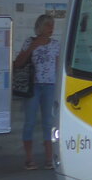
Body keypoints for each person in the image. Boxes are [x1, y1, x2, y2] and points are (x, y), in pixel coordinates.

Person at [14, 14, 60, 169]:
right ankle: (29, 158)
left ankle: (49, 158)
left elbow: (58, 67)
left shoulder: (55, 44)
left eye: (52, 25)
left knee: (49, 122)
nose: (51, 28)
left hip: (50, 85)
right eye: (48, 25)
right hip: (33, 86)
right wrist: (32, 47)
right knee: (30, 122)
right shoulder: (30, 41)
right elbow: (19, 63)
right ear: (40, 27)